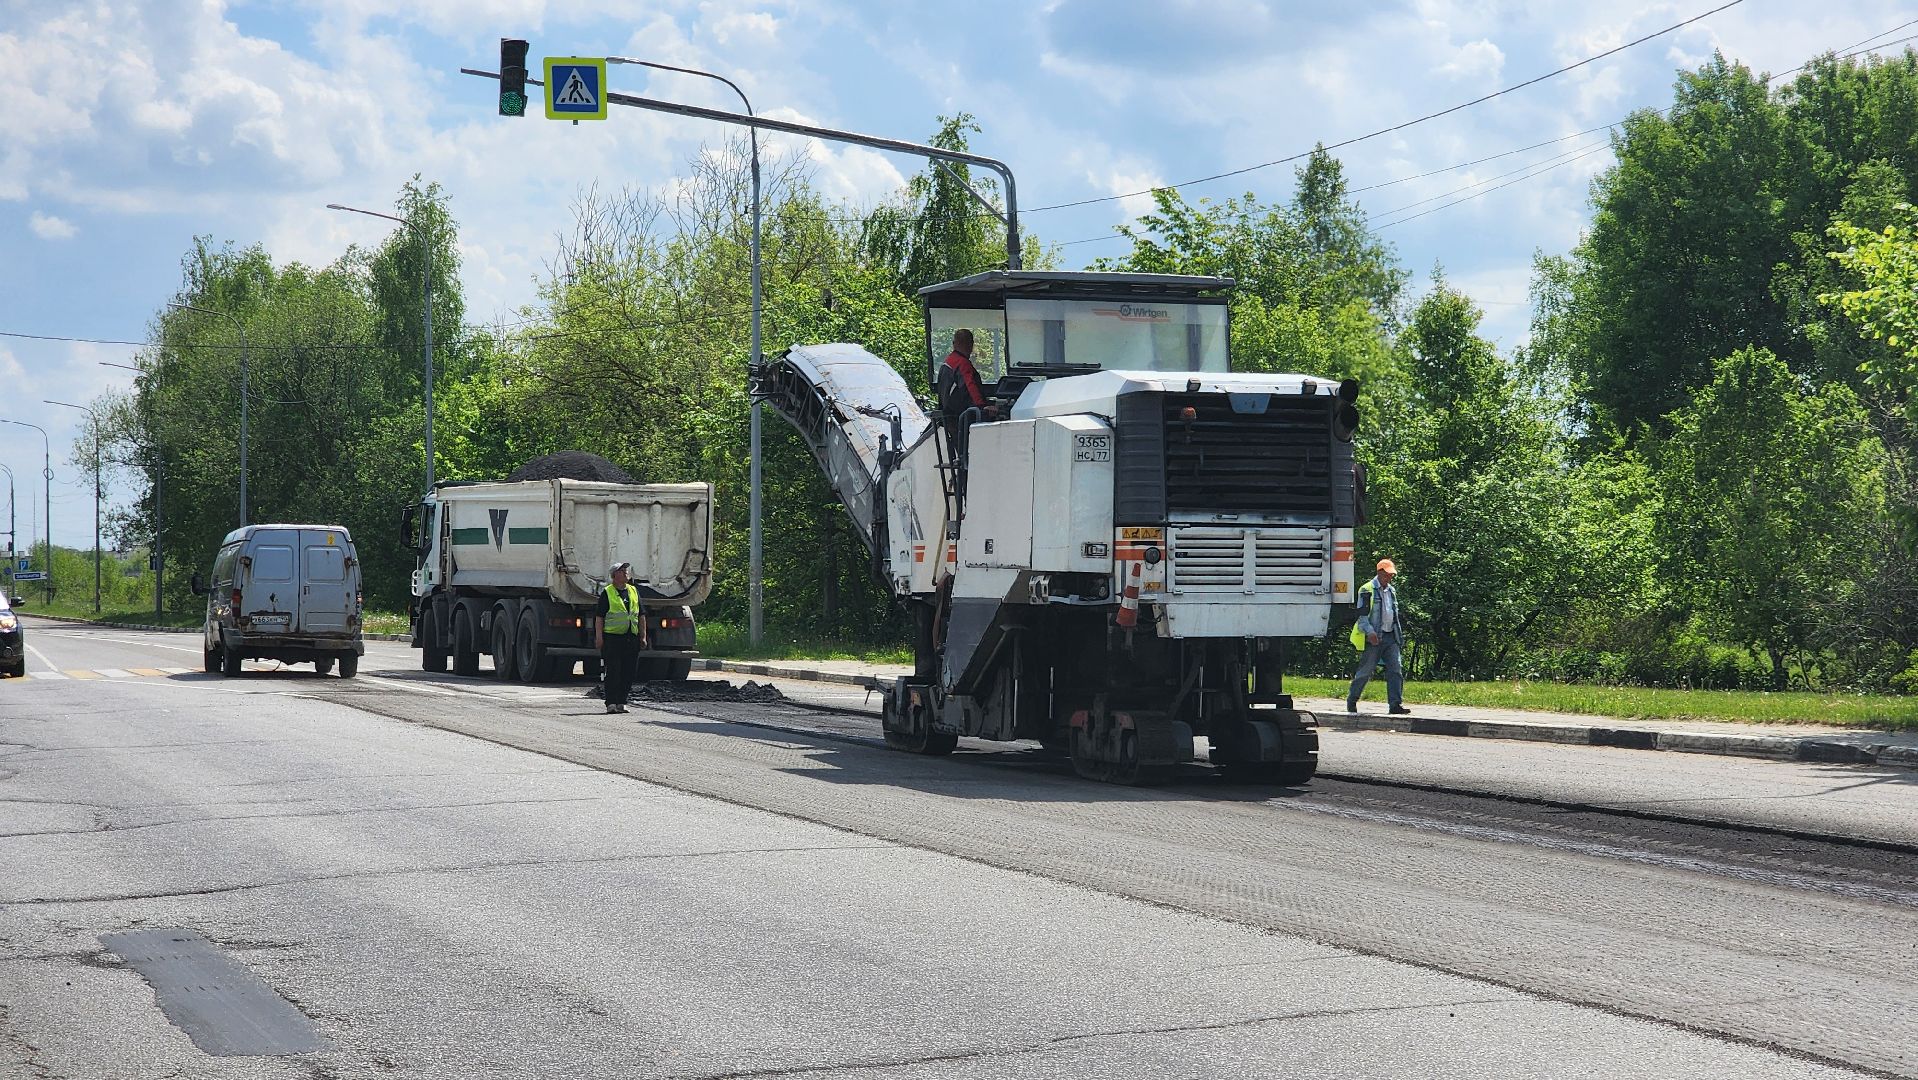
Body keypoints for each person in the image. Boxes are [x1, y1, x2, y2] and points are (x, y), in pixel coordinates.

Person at [1346, 557, 1409, 715]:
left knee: (1395, 669)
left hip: (1390, 636)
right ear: (1379, 572)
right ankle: (1352, 700)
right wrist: (1370, 633)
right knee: (1365, 671)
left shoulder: (1391, 591)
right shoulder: (1367, 589)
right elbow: (1362, 617)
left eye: (1391, 575)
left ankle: (1395, 705)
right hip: (1375, 637)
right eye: (1387, 574)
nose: (1390, 577)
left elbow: (1393, 614)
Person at [596, 561, 649, 714]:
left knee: (629, 671)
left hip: (631, 638)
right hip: (612, 638)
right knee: (613, 671)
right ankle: (611, 703)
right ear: (614, 576)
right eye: (622, 570)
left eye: (626, 569)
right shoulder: (608, 592)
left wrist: (643, 636)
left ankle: (622, 701)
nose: (626, 571)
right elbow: (600, 617)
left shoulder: (633, 591)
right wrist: (599, 637)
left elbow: (641, 615)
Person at [936, 328, 995, 460]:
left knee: (962, 456)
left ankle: (959, 476)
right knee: (970, 456)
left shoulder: (947, 362)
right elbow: (970, 387)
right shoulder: (962, 364)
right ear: (970, 344)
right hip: (960, 418)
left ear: (954, 343)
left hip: (950, 417)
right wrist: (982, 407)